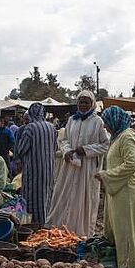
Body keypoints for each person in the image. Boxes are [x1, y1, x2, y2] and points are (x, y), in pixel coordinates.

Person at [95, 107, 135, 268]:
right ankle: (120, 264)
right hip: (118, 190)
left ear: (114, 121)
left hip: (126, 191)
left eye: (107, 124)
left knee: (127, 230)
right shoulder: (118, 137)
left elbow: (131, 165)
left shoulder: (127, 137)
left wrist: (106, 176)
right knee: (118, 229)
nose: (106, 127)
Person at [46, 90, 109, 238]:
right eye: (81, 102)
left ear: (92, 103)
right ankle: (60, 228)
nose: (83, 105)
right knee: (65, 194)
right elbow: (64, 140)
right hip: (70, 165)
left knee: (83, 198)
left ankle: (80, 232)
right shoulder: (72, 120)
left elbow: (105, 145)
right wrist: (67, 150)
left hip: (87, 168)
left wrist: (86, 150)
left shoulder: (97, 122)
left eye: (86, 102)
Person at [15, 102, 58, 226]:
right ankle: (46, 223)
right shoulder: (52, 128)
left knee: (31, 198)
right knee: (46, 196)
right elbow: (55, 147)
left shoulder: (30, 128)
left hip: (33, 170)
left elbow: (22, 149)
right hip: (49, 169)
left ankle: (32, 225)